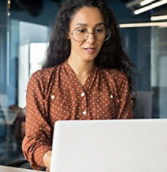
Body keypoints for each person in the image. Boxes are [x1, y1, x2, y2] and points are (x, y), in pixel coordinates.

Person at [22, 0, 135, 170]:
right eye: (82, 30)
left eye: (98, 30)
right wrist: (60, 160)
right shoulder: (41, 81)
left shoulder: (117, 81)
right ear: (67, 32)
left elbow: (125, 140)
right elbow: (33, 143)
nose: (91, 39)